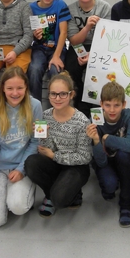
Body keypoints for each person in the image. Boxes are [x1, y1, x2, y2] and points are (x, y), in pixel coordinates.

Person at [0, 67, 43, 228]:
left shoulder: (35, 105)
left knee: (18, 206)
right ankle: (5, 193)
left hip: (22, 164)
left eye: (19, 88)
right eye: (10, 88)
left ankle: (23, 191)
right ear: (3, 88)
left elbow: (35, 142)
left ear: (26, 87)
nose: (15, 93)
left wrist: (21, 170)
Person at [25, 72, 92, 217]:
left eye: (63, 94)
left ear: (71, 94)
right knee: (31, 163)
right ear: (49, 95)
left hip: (76, 167)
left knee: (60, 200)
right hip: (55, 162)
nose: (57, 98)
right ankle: (50, 194)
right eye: (53, 94)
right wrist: (44, 136)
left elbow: (85, 157)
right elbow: (46, 150)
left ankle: (73, 191)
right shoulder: (45, 116)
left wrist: (55, 156)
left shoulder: (82, 121)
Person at [87, 81, 130, 227]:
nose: (112, 110)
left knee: (124, 154)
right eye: (108, 105)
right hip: (104, 161)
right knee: (109, 187)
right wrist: (97, 140)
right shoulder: (95, 119)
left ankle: (126, 204)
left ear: (124, 104)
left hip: (124, 159)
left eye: (117, 105)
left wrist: (107, 139)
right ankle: (110, 183)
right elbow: (101, 162)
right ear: (101, 104)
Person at [65, 0, 111, 117]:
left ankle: (99, 107)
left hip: (99, 45)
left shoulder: (104, 7)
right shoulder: (70, 9)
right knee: (72, 68)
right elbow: (74, 40)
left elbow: (107, 38)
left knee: (100, 69)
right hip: (78, 45)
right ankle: (78, 106)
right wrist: (87, 27)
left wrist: (93, 54)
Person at [27, 0, 71, 100]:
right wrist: (34, 35)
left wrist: (56, 56)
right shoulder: (30, 8)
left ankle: (57, 106)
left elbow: (64, 32)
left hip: (57, 48)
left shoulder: (60, 5)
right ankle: (35, 106)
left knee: (55, 70)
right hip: (39, 48)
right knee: (34, 69)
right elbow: (28, 33)